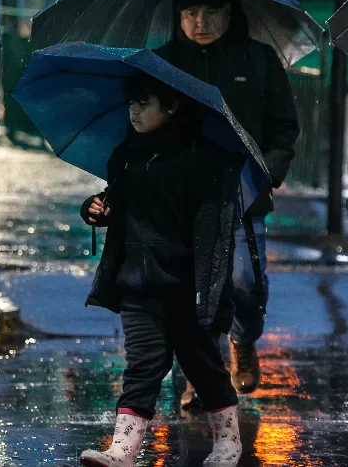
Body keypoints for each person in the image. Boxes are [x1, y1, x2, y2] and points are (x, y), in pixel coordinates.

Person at [78, 73, 247, 467]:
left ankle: (228, 444)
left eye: (144, 104)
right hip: (137, 283)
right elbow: (117, 205)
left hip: (186, 287)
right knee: (142, 365)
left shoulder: (200, 160)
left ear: (171, 107)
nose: (134, 112)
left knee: (202, 366)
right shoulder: (126, 155)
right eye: (131, 104)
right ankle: (124, 450)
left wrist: (210, 292)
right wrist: (97, 207)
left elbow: (212, 232)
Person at [154, 0, 300, 403]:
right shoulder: (164, 63)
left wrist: (268, 169)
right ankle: (201, 377)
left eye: (211, 12)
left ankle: (243, 340)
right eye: (190, 13)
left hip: (243, 192)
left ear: (230, 13)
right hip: (183, 197)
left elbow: (283, 126)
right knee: (192, 290)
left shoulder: (257, 60)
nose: (200, 23)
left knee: (243, 279)